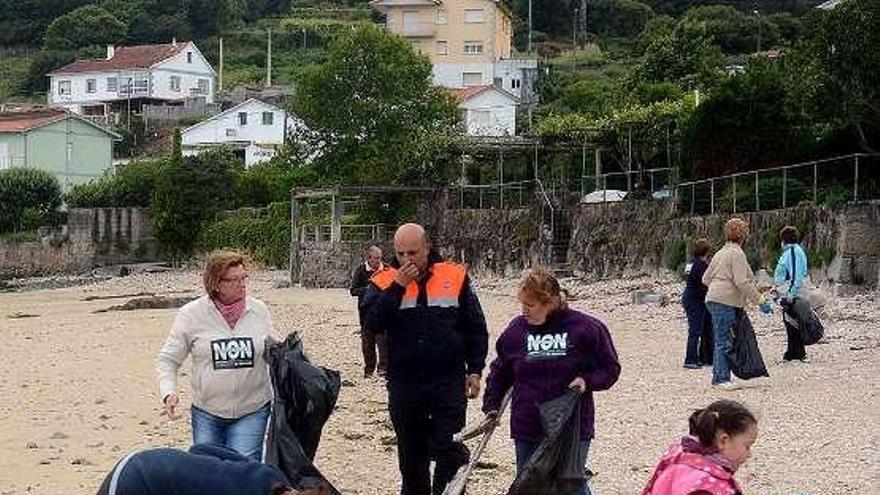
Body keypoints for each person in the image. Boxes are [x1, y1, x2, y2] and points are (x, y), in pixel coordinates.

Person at [363, 223, 489, 495]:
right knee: (411, 457)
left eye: (413, 253)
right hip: (404, 383)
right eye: (401, 254)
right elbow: (372, 322)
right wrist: (397, 287)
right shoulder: (382, 281)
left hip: (448, 380)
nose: (407, 260)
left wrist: (475, 369)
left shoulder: (455, 276)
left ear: (427, 248)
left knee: (450, 450)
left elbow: (475, 326)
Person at [482, 267, 621, 495]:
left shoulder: (586, 329)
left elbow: (610, 369)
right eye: (522, 304)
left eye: (530, 305)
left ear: (551, 302)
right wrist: (491, 406)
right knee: (530, 486)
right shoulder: (516, 331)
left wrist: (587, 381)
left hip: (572, 426)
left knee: (571, 486)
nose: (524, 311)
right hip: (528, 425)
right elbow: (500, 373)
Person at [156, 250, 280, 461]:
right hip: (207, 412)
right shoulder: (191, 314)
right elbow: (168, 360)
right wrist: (169, 392)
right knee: (208, 472)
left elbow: (276, 353)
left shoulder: (259, 311)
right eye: (234, 280)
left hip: (252, 409)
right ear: (216, 284)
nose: (242, 284)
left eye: (244, 278)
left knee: (243, 471)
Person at [95, 443, 328, 495]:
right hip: (135, 482)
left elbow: (201, 449)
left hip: (146, 459)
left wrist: (191, 471)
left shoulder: (274, 476)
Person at [702, 218, 771, 391]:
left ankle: (721, 375)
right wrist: (760, 300)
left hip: (713, 299)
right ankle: (721, 378)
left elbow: (705, 278)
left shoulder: (720, 253)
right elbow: (742, 281)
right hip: (725, 301)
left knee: (722, 338)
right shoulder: (737, 254)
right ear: (743, 236)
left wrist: (719, 286)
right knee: (724, 340)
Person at [641, 399, 758, 495]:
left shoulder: (676, 459)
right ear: (723, 441)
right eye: (747, 445)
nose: (749, 454)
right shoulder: (711, 486)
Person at [350, 245, 389, 378]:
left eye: (380, 258)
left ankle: (383, 368)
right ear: (369, 258)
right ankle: (369, 369)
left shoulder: (387, 269)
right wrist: (370, 289)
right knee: (368, 342)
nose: (378, 261)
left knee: (383, 341)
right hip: (365, 312)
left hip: (383, 311)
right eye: (376, 258)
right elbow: (353, 291)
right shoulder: (361, 271)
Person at [774, 226, 810, 363]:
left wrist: (790, 295)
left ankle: (797, 352)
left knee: (792, 321)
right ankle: (793, 352)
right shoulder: (790, 252)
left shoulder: (794, 252)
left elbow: (796, 276)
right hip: (786, 291)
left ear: (783, 239)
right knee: (790, 320)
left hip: (791, 292)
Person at [681, 239, 712, 369]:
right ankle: (691, 359)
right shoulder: (702, 266)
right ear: (707, 252)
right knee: (696, 330)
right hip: (696, 301)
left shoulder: (691, 264)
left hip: (691, 298)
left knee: (704, 328)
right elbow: (705, 284)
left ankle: (703, 357)